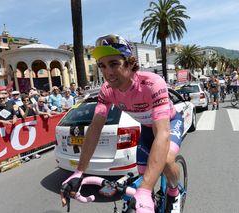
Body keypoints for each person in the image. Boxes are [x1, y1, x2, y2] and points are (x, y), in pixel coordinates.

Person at [60, 34, 184, 213]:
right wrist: (79, 172)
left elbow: (163, 133)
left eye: (114, 64)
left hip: (169, 123)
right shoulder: (107, 90)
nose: (108, 72)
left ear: (130, 62)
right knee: (144, 173)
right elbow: (95, 128)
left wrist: (145, 190)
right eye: (102, 66)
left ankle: (174, 191)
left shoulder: (152, 83)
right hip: (147, 129)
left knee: (165, 160)